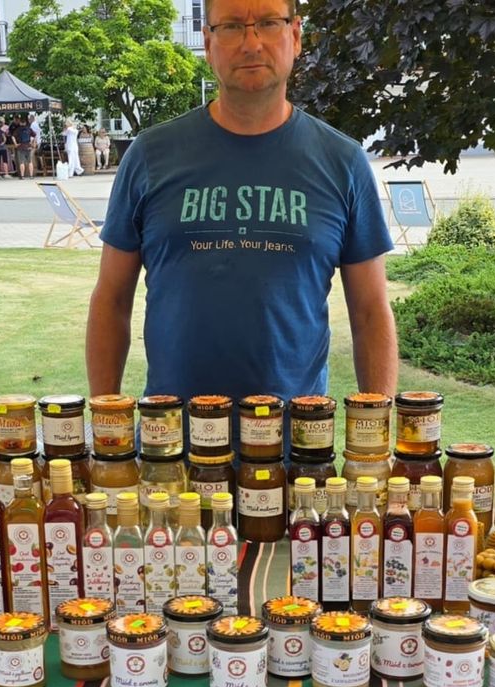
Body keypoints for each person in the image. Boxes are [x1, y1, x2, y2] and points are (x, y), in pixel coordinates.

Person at [85, 0, 398, 402]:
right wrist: (106, 415)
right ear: (208, 43)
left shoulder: (343, 162)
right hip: (171, 434)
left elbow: (370, 312)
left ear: (295, 35)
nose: (251, 44)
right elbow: (111, 299)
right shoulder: (149, 156)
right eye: (232, 26)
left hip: (297, 435)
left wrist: (377, 423)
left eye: (268, 23)